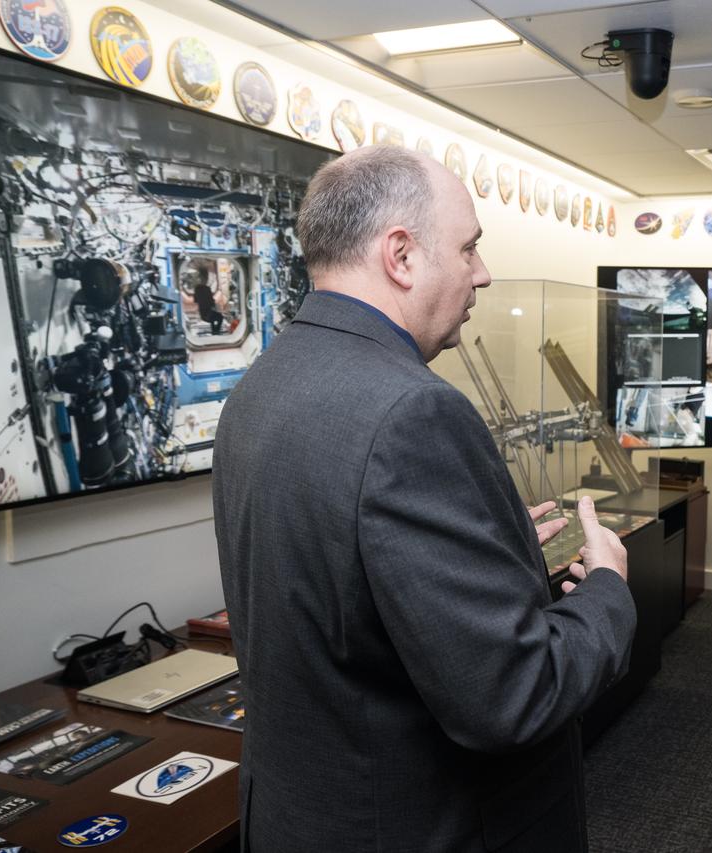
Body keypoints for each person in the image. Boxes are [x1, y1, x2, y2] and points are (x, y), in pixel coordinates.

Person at [212, 146, 637, 852]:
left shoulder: (261, 385)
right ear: (401, 255)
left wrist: (494, 556)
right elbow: (513, 693)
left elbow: (346, 583)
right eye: (468, 248)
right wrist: (606, 590)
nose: (482, 272)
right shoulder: (414, 412)